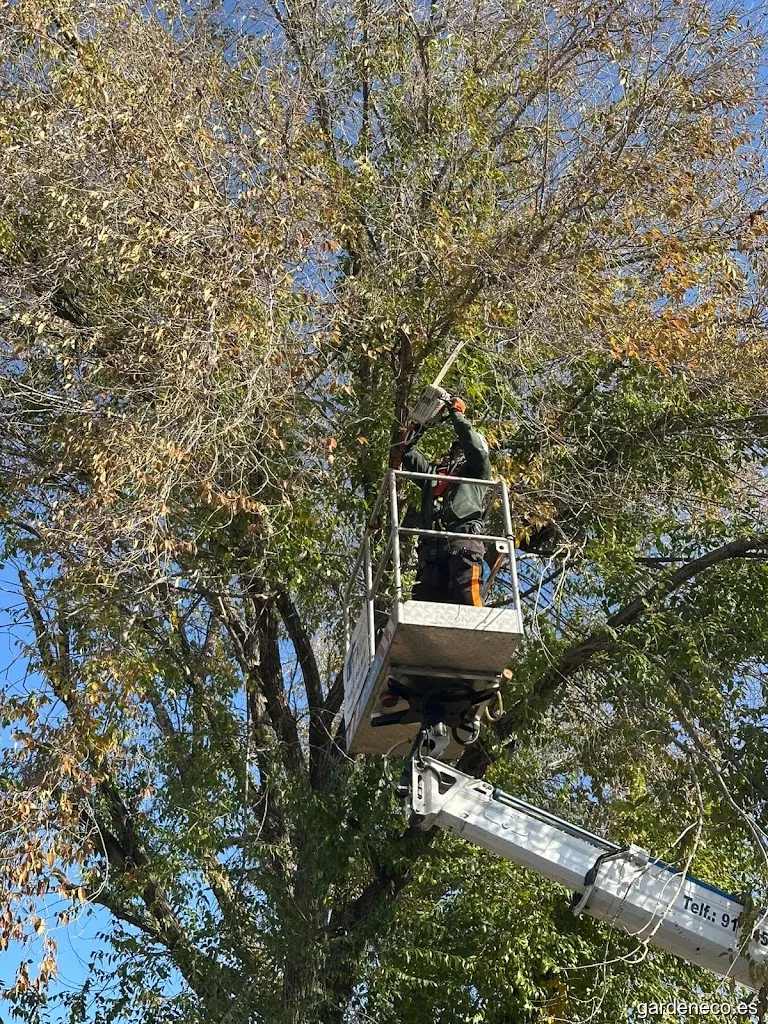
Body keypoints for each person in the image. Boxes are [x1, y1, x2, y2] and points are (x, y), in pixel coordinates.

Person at [401, 391, 491, 606]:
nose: (456, 453)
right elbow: (406, 452)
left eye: (460, 449)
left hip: (463, 538)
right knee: (425, 605)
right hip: (432, 547)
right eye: (455, 450)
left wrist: (456, 416)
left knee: (467, 596)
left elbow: (472, 445)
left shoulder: (477, 470)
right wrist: (424, 424)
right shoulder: (433, 474)